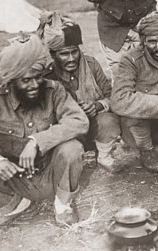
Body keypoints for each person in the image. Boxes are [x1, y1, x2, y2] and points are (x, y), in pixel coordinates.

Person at [0, 34, 89, 227]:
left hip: (53, 175)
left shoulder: (54, 90)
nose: (34, 85)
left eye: (38, 77)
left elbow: (79, 121)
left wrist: (37, 141)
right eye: (25, 80)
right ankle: (16, 205)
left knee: (72, 148)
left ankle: (63, 204)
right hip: (16, 179)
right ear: (11, 81)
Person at [38, 12, 122, 173]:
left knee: (109, 120)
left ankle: (103, 154)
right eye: (64, 54)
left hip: (93, 125)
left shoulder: (91, 64)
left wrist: (97, 106)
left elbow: (112, 96)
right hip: (66, 129)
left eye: (74, 51)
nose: (71, 58)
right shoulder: (47, 76)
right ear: (53, 55)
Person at [110, 11, 158, 173]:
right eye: (152, 42)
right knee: (138, 107)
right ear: (143, 41)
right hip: (137, 127)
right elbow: (119, 101)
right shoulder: (130, 60)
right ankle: (146, 152)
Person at [87, 0, 157, 77]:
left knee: (147, 70)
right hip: (113, 31)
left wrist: (145, 25)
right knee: (120, 73)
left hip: (139, 27)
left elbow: (152, 7)